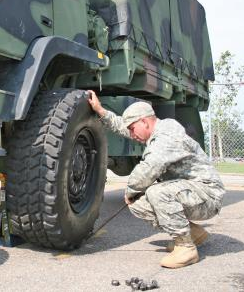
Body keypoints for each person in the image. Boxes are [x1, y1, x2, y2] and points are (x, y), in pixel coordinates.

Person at [87, 90, 225, 269]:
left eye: (132, 128)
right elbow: (122, 125)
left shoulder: (166, 136)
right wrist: (100, 110)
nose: (131, 133)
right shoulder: (155, 130)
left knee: (156, 192)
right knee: (138, 203)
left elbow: (149, 169)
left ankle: (186, 248)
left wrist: (130, 190)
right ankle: (193, 233)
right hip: (193, 192)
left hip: (208, 196)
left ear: (144, 122)